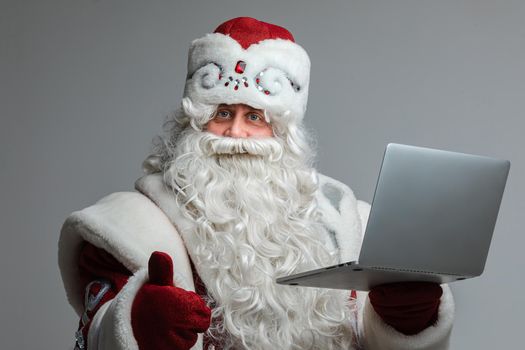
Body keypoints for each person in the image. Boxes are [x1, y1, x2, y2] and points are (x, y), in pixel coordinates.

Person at [58, 17, 455, 350]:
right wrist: (137, 322)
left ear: (283, 132)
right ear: (194, 122)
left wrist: (407, 320)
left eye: (254, 117)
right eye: (223, 113)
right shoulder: (131, 226)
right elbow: (94, 327)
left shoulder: (348, 224)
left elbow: (365, 334)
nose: (235, 133)